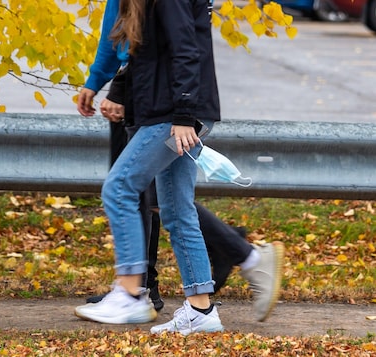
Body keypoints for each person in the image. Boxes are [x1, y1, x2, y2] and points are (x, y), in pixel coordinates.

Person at [74, 0, 282, 334]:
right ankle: (201, 310)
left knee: (119, 187)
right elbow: (134, 46)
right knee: (176, 210)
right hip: (170, 111)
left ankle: (130, 293)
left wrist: (184, 115)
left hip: (174, 115)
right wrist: (100, 83)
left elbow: (187, 48)